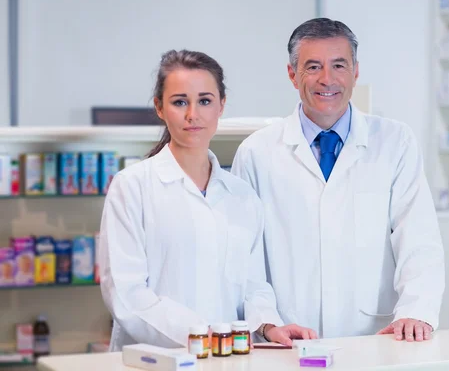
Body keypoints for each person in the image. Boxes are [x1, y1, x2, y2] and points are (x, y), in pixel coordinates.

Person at [231, 18, 445, 342]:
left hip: (375, 337)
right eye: (313, 66)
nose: (327, 79)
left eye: (339, 65)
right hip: (290, 338)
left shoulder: (395, 141)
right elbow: (245, 257)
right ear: (292, 74)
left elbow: (418, 237)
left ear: (356, 72)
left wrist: (417, 309)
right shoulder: (256, 153)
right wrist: (265, 321)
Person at [99, 50, 316, 351]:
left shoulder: (241, 196)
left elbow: (253, 286)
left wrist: (268, 326)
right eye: (179, 102)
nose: (193, 114)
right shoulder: (132, 187)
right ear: (159, 108)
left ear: (221, 106)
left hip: (227, 357)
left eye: (204, 101)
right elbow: (126, 294)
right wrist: (201, 336)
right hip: (155, 359)